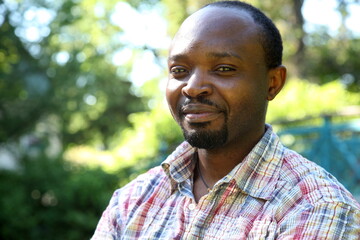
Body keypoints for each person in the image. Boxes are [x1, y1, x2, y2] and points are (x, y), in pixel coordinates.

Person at [92, 1, 360, 239]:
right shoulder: (131, 202)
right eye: (179, 70)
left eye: (224, 69)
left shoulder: (318, 209)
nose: (192, 87)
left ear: (272, 83)